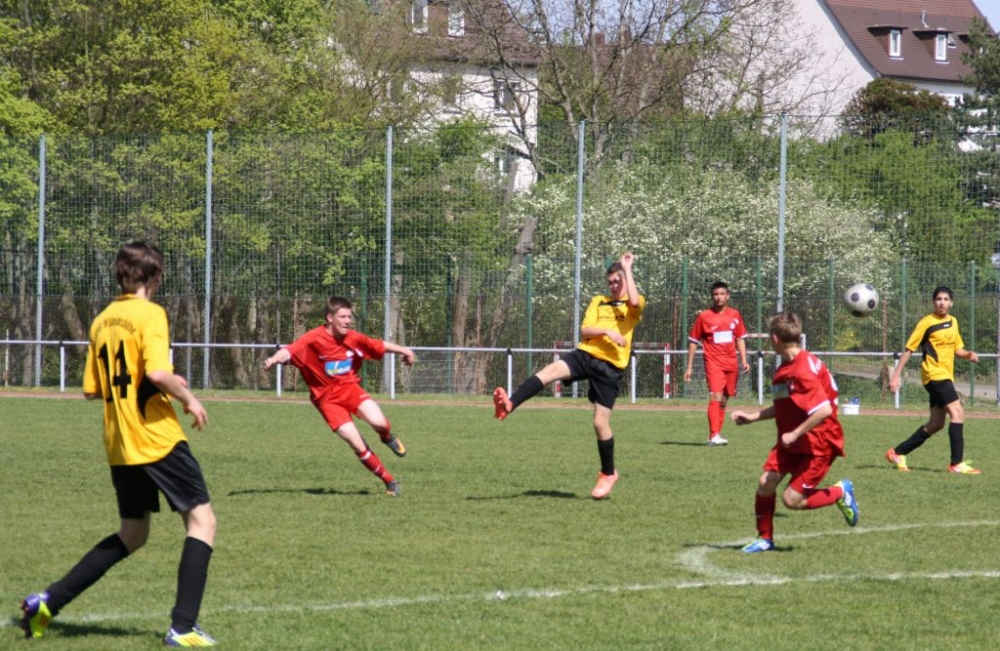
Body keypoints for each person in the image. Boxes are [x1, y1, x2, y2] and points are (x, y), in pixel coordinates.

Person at [20, 241, 218, 647]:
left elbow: (92, 389)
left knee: (133, 533)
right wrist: (189, 397)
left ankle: (48, 601)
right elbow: (158, 374)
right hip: (156, 438)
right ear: (155, 277)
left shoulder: (103, 319)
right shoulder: (151, 314)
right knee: (203, 522)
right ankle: (183, 627)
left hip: (120, 442)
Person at [492, 252, 645, 500]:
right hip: (585, 354)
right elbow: (585, 329)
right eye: (611, 282)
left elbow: (635, 302)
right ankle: (510, 404)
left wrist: (627, 268)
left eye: (618, 281)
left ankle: (608, 473)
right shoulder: (599, 301)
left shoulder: (632, 306)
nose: (614, 285)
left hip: (610, 368)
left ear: (626, 281)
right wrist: (606, 331)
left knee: (599, 424)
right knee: (550, 371)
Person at [730, 311, 858, 553]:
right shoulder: (789, 367)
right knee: (765, 483)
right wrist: (753, 417)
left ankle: (841, 491)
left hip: (818, 442)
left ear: (775, 339)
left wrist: (795, 433)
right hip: (793, 439)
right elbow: (787, 406)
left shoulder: (802, 372)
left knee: (792, 500)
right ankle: (765, 539)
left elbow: (823, 410)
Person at [264, 296, 414, 497]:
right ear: (329, 318)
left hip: (350, 390)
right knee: (356, 442)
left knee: (379, 422)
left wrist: (404, 350)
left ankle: (386, 437)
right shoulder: (312, 339)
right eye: (342, 317)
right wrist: (274, 359)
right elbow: (289, 352)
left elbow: (378, 345)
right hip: (327, 401)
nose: (347, 321)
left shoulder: (353, 338)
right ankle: (389, 481)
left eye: (349, 317)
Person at [886, 286, 980, 474]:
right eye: (938, 299)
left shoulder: (953, 322)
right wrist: (895, 376)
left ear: (951, 303)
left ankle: (898, 452)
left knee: (936, 424)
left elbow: (957, 349)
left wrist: (968, 354)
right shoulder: (926, 323)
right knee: (958, 413)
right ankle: (956, 464)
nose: (942, 302)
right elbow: (909, 349)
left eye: (946, 299)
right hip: (934, 375)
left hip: (945, 376)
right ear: (933, 302)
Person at [683, 281, 750, 446]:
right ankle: (713, 435)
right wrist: (689, 367)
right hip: (713, 363)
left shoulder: (735, 314)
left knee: (725, 399)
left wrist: (744, 360)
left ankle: (716, 435)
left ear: (728, 296)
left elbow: (740, 338)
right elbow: (693, 341)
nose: (719, 297)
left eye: (722, 294)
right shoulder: (704, 316)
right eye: (715, 294)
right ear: (712, 296)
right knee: (716, 396)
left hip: (731, 363)